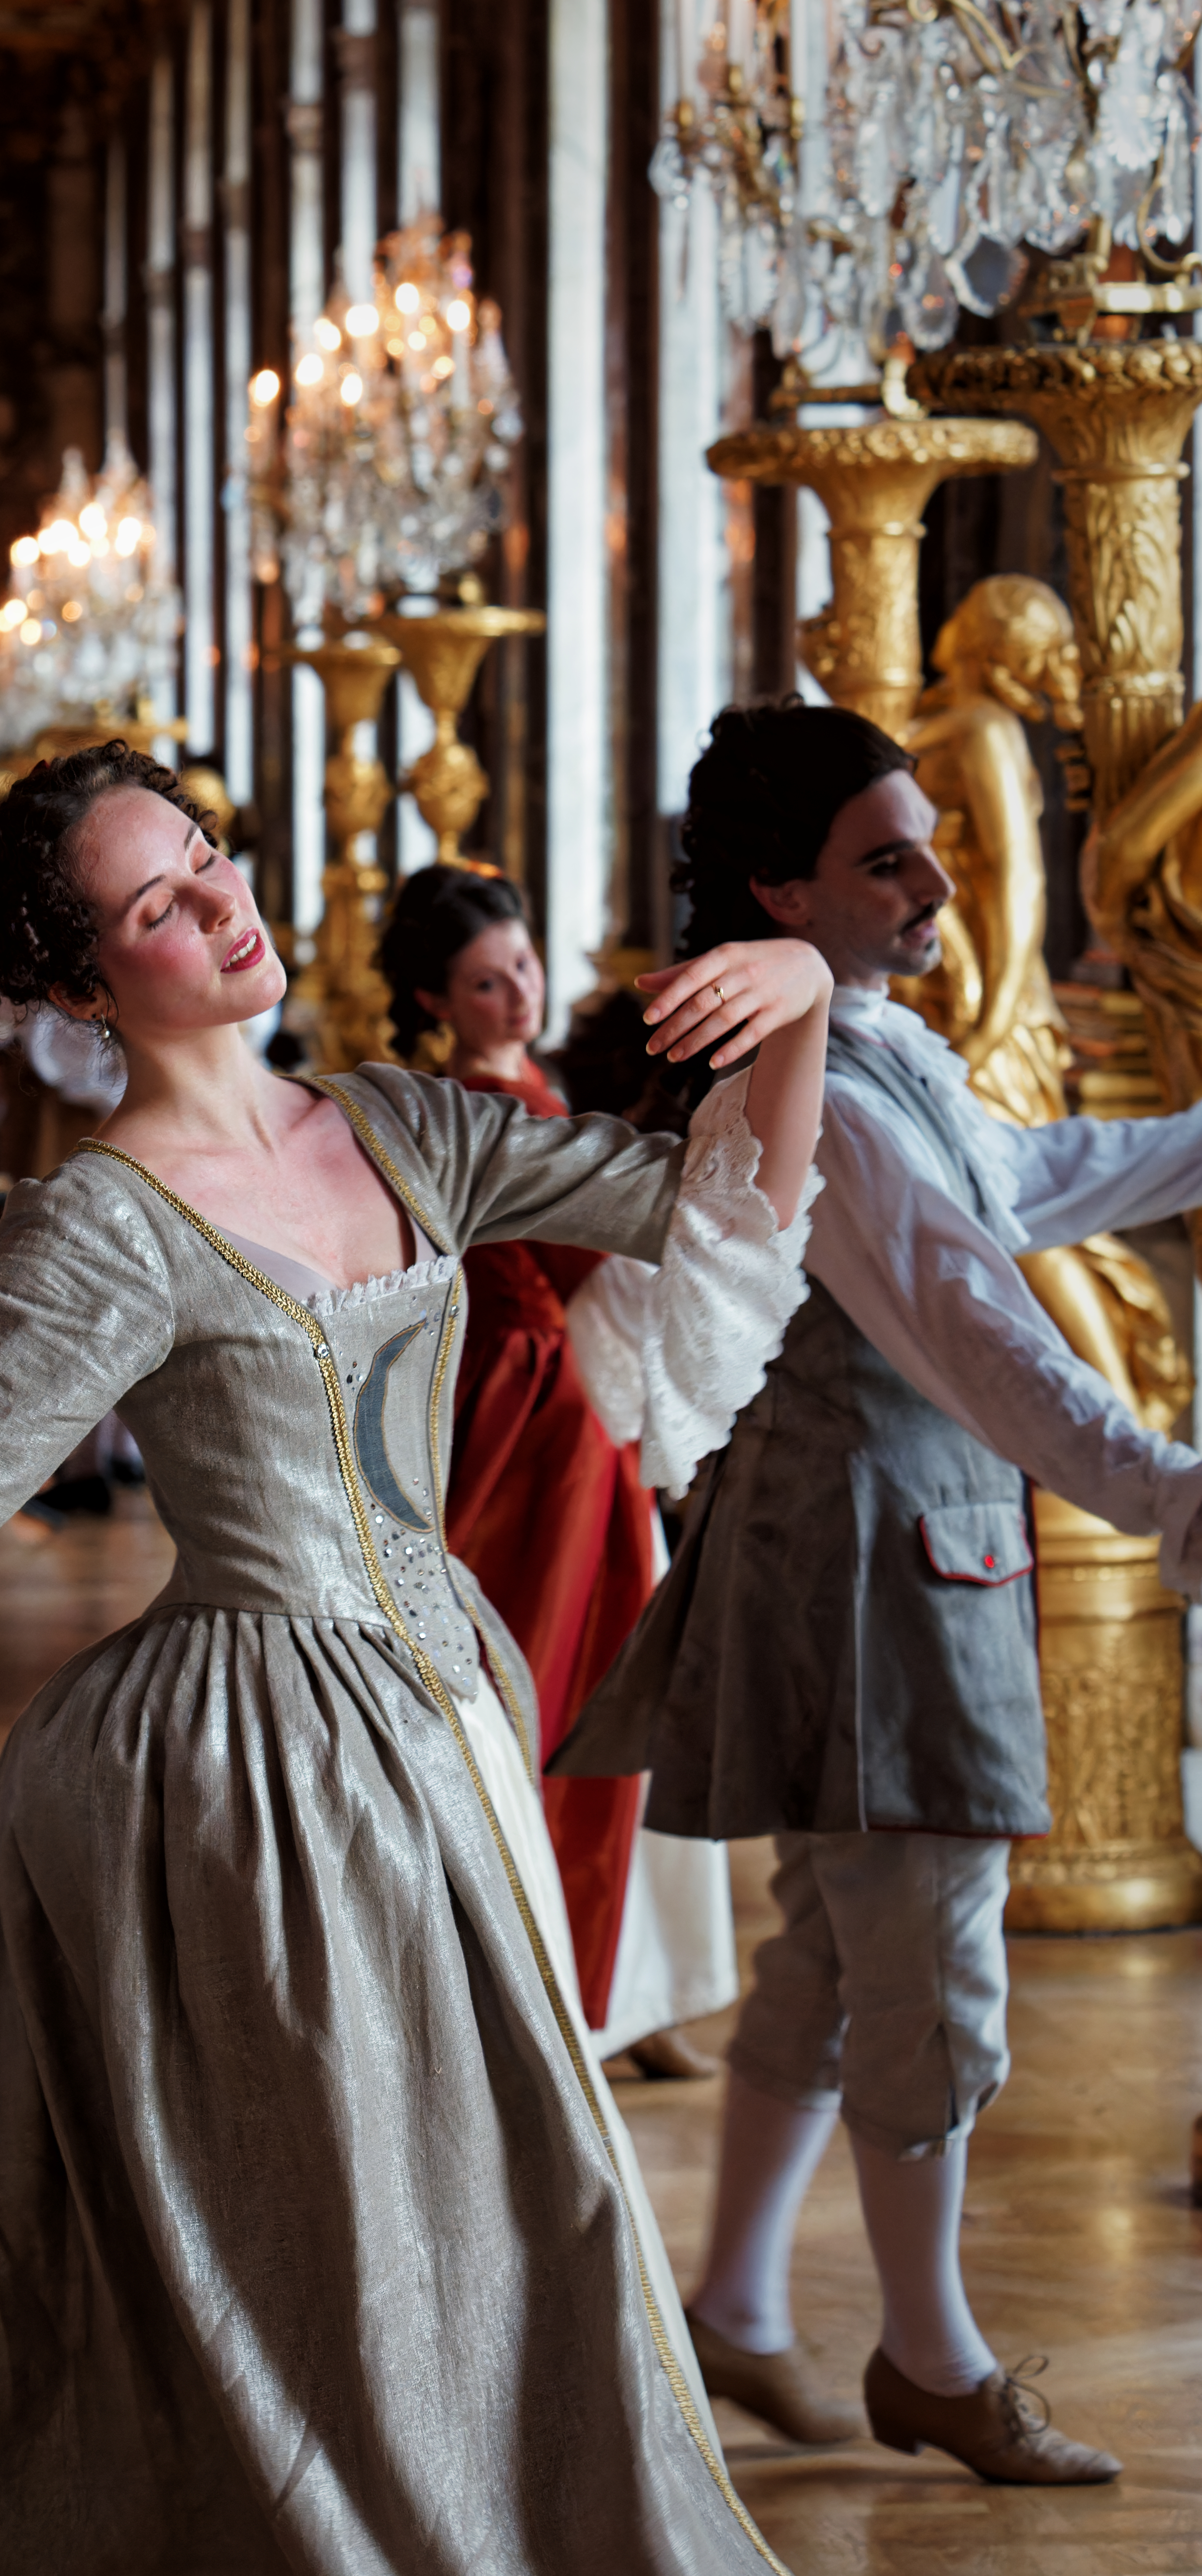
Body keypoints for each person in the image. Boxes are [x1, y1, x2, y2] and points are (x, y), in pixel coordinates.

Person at [0, 741, 833, 2574]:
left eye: (207, 860)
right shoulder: (100, 1224)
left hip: (439, 1715)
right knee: (327, 2240)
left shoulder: (398, 1121)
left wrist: (798, 1004)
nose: (222, 906)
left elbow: (713, 1207)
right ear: (76, 984)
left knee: (521, 2193)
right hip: (248, 1788)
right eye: (155, 904)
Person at [559, 699, 1202, 2485]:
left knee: (833, 1953)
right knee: (924, 1963)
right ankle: (929, 2352)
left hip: (877, 1548)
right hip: (871, 1571)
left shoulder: (875, 1052)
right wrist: (1161, 1488)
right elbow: (968, 1326)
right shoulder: (823, 1094)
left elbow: (1003, 1192)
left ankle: (737, 2307)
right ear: (773, 889)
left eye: (924, 843)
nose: (931, 882)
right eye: (881, 857)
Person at [376, 864, 734, 2074]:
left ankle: (633, 1989)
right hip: (532, 1415)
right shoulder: (470, 1105)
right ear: (437, 997)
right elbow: (587, 1265)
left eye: (523, 964)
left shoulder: (534, 1088)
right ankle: (564, 1992)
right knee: (566, 1690)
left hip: (573, 1402)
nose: (515, 991)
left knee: (609, 1684)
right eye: (484, 980)